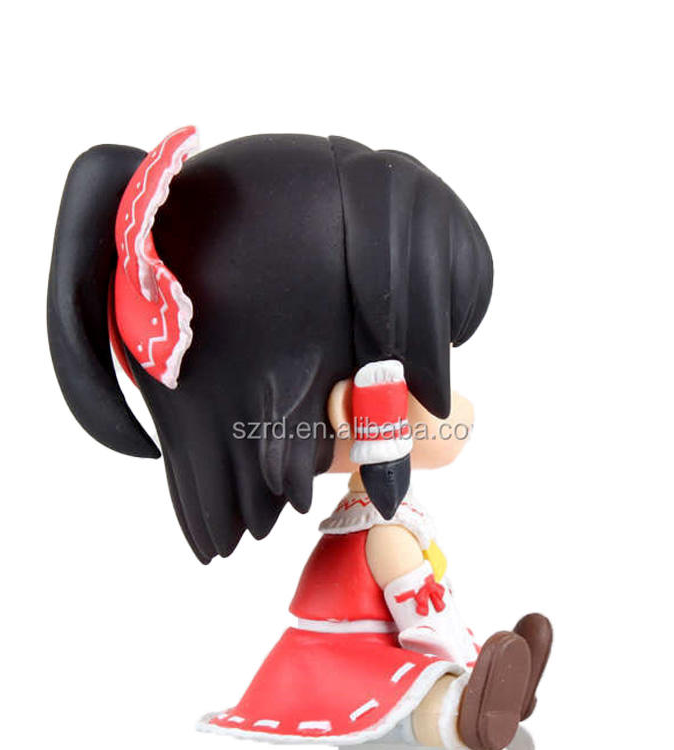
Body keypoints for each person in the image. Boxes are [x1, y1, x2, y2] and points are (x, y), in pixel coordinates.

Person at [48, 127, 552, 749]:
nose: (456, 413)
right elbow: (418, 611)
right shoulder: (383, 533)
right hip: (353, 664)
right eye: (424, 386)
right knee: (422, 691)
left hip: (363, 650)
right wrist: (454, 648)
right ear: (354, 409)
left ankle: (488, 692)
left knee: (428, 674)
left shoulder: (382, 518)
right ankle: (460, 713)